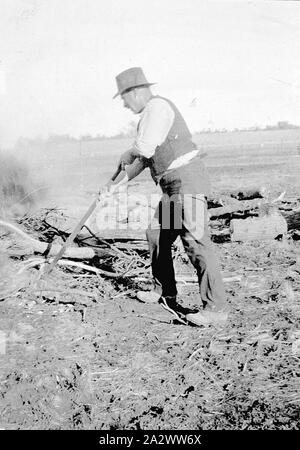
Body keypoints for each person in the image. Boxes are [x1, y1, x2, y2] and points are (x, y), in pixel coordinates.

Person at [100, 67, 228, 326]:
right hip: (171, 185)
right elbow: (142, 161)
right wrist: (114, 187)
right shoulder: (148, 115)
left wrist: (129, 151)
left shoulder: (156, 108)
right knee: (158, 233)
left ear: (135, 92)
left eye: (124, 98)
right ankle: (164, 291)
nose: (124, 104)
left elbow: (143, 148)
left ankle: (215, 310)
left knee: (196, 241)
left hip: (186, 181)